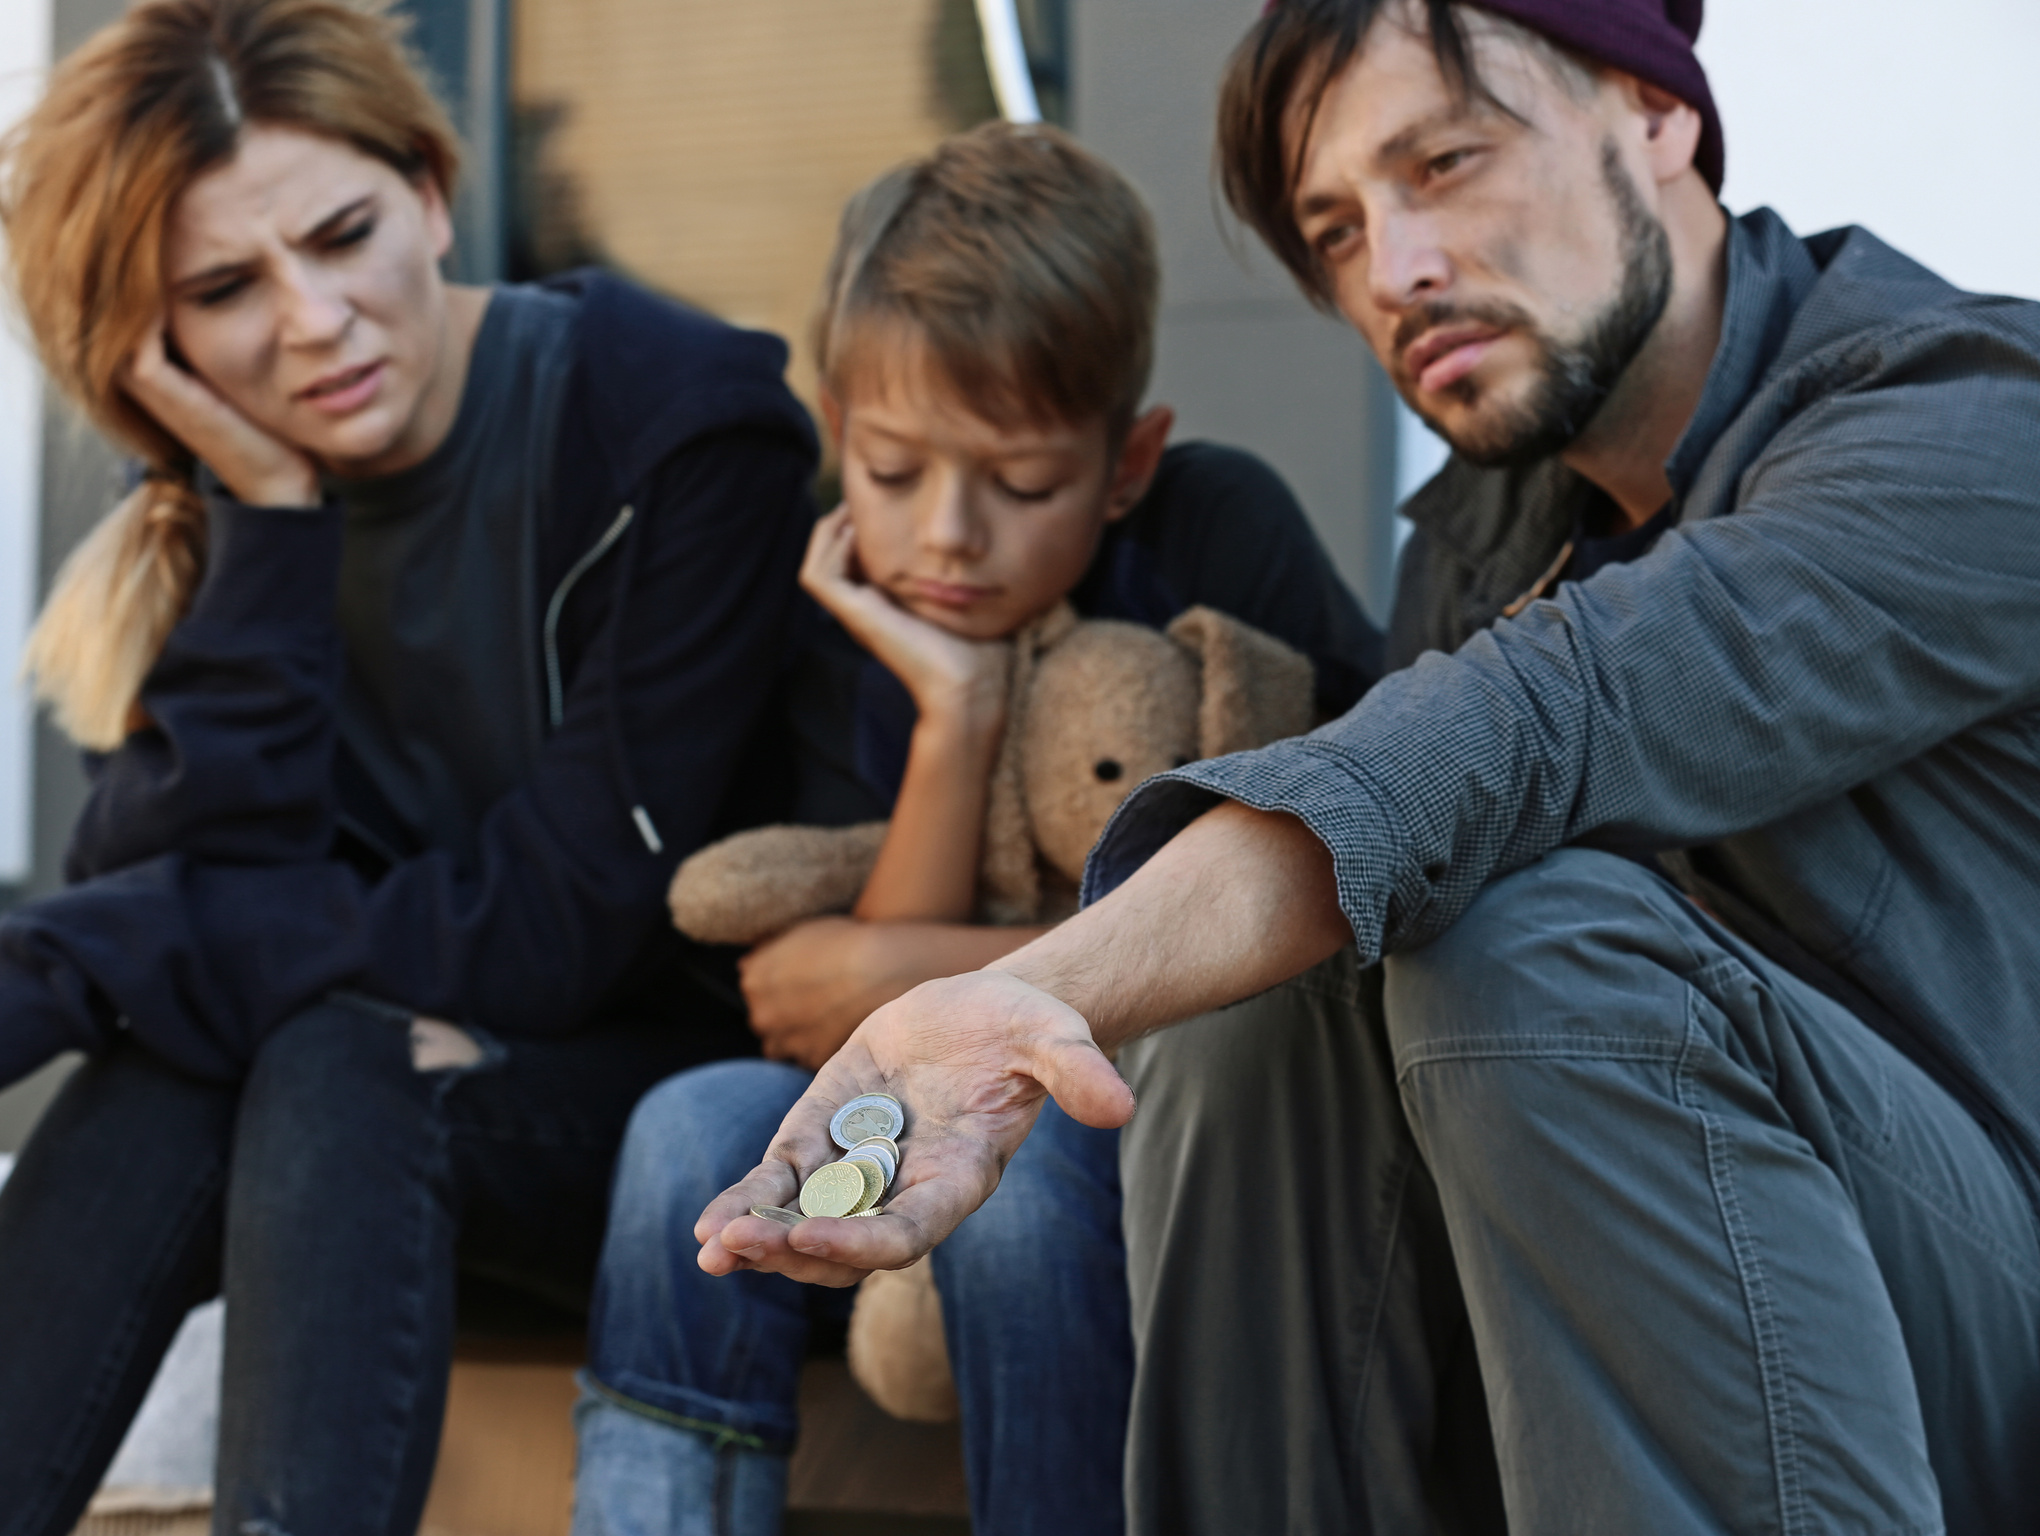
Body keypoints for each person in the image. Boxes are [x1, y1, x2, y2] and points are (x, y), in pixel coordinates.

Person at [699, 1, 2040, 1532]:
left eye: (1448, 162)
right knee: (1277, 988)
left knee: (1520, 941)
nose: (1395, 271)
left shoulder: (1969, 419)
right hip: (1627, 1346)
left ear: (1656, 114)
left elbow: (1558, 714)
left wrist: (1043, 986)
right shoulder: (1491, 535)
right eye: (1335, 227)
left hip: (1987, 1321)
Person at [0, 1, 815, 1531]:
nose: (311, 320)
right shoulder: (231, 513)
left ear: (431, 192)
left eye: (343, 234)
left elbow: (555, 932)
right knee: (217, 1061)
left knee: (334, 1051)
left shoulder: (676, 427)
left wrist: (41, 974)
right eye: (226, 289)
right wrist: (273, 530)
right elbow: (178, 898)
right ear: (156, 351)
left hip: (691, 1117)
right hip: (358, 1117)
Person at [571, 123, 1385, 1536]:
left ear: (1128, 465)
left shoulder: (1218, 534)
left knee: (1033, 1154)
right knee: (685, 1125)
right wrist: (951, 717)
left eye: (1019, 488)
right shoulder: (827, 620)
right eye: (893, 474)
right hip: (912, 1112)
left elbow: (1334, 850)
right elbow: (814, 1015)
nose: (947, 538)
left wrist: (937, 964)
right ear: (838, 431)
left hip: (1164, 1105)